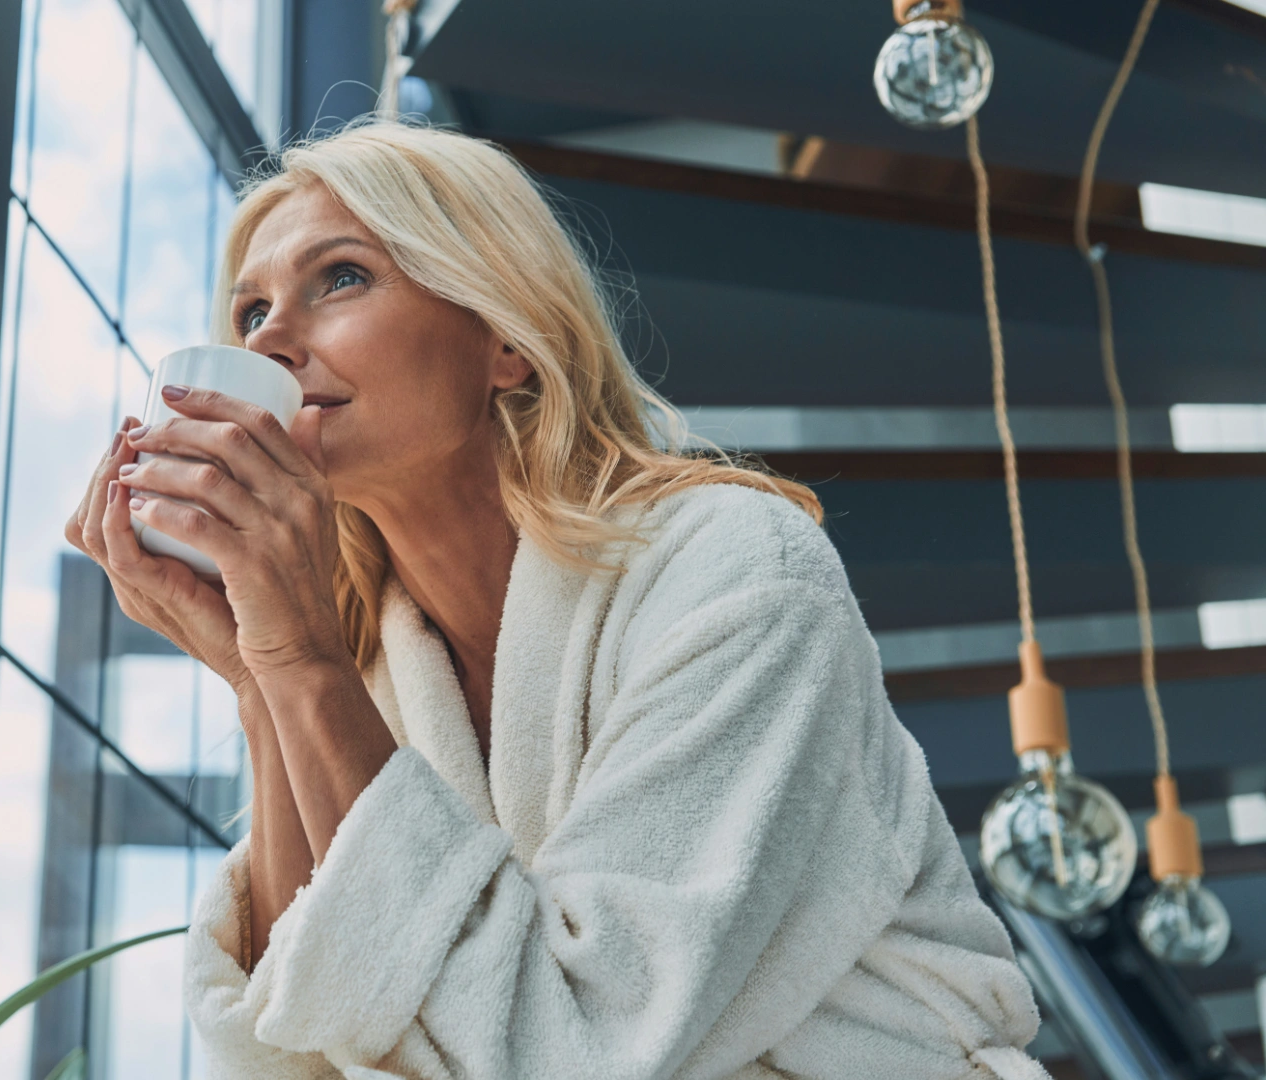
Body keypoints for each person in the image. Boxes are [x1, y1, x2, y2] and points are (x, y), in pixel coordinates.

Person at [65, 121, 1046, 1080]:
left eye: (342, 277)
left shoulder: (738, 573)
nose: (273, 336)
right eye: (249, 314)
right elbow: (291, 1060)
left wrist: (299, 667)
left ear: (506, 340)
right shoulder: (373, 680)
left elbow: (568, 1045)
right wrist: (258, 681)